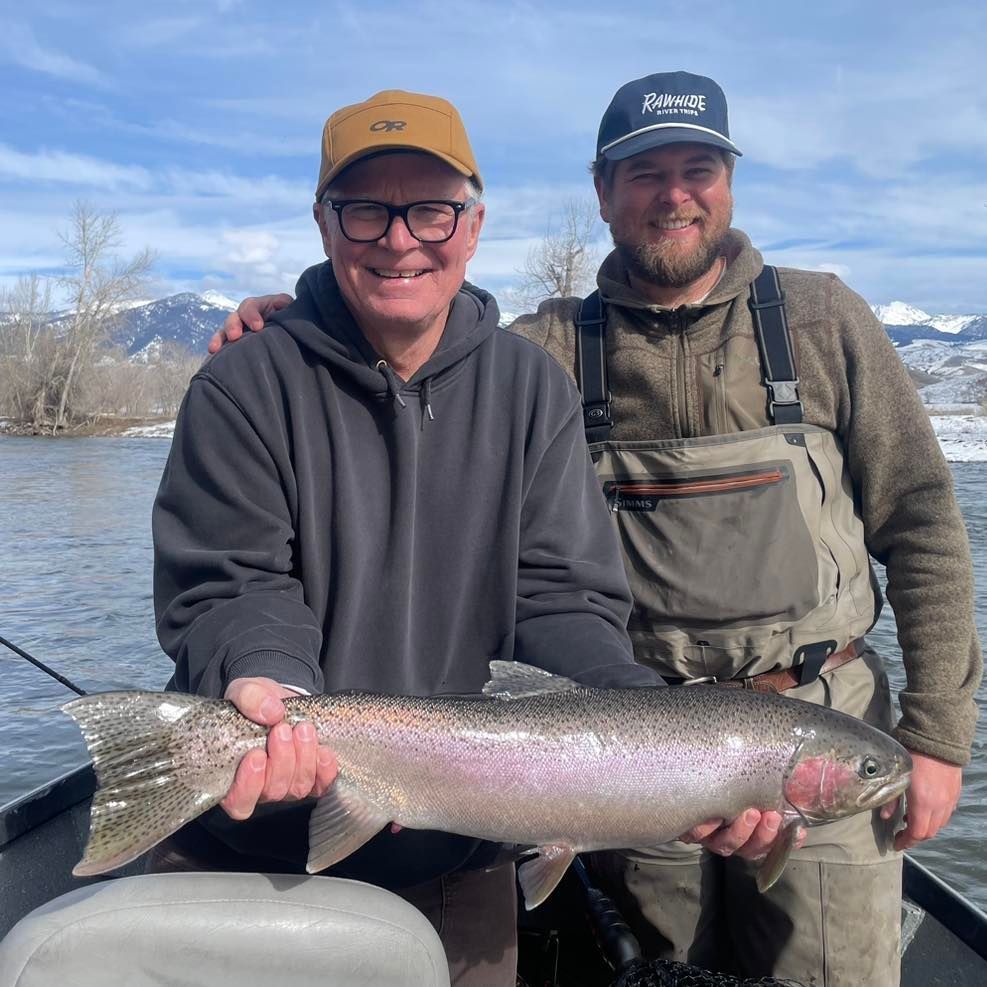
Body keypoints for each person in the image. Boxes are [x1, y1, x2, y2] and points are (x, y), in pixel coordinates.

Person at [217, 71, 982, 986]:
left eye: (696, 167)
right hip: (621, 734)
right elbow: (416, 307)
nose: (673, 195)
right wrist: (301, 313)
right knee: (658, 968)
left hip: (820, 717)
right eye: (643, 173)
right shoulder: (552, 347)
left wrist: (935, 738)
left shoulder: (825, 320)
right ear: (602, 193)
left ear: (728, 180)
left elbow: (925, 530)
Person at [152, 88, 663, 987]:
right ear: (322, 223)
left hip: (458, 861)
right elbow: (232, 586)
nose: (398, 239)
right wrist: (271, 690)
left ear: (472, 225)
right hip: (247, 846)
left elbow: (562, 599)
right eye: (365, 211)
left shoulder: (531, 389)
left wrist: (650, 724)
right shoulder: (243, 384)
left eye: (429, 208)